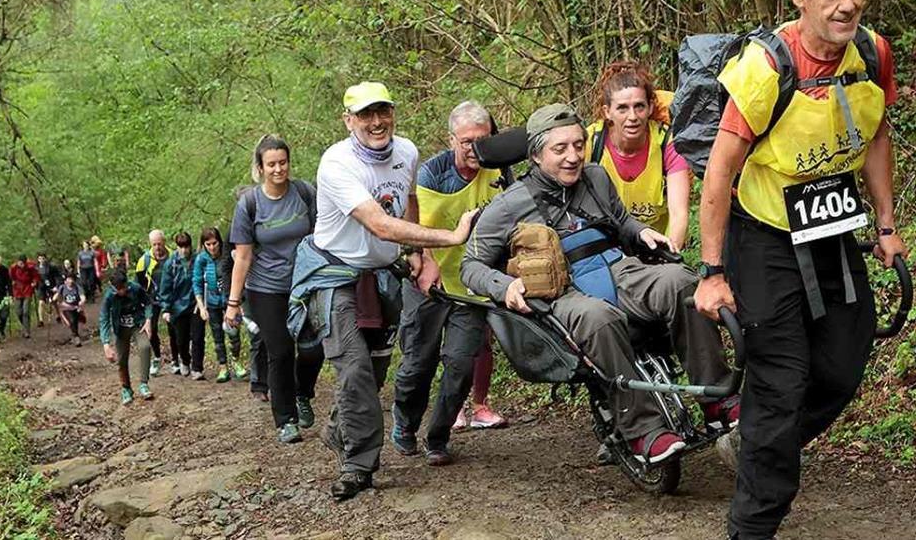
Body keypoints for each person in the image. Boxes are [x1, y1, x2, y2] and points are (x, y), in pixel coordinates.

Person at [693, 0, 908, 540]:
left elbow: (875, 136)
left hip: (833, 230)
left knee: (842, 367)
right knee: (780, 384)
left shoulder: (873, 53)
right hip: (763, 240)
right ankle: (752, 526)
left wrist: (887, 223)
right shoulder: (766, 67)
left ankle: (755, 438)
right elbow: (721, 172)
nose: (847, 4)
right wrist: (711, 273)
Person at [462, 103, 735, 463]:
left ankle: (718, 399)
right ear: (535, 155)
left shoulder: (596, 178)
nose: (572, 157)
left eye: (578, 145)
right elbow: (471, 265)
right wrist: (504, 287)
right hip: (564, 291)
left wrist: (641, 232)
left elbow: (621, 221)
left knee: (682, 283)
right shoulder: (507, 206)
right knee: (598, 319)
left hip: (618, 268)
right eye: (559, 149)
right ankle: (643, 429)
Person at [295, 81, 476, 500]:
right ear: (348, 121)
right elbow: (378, 223)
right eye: (365, 115)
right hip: (333, 273)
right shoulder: (336, 164)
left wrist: (417, 251)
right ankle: (359, 465)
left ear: (393, 113)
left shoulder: (407, 151)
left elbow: (408, 201)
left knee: (374, 371)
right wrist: (446, 238)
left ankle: (342, 428)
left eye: (383, 112)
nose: (376, 122)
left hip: (380, 274)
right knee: (354, 366)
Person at [393, 100, 506, 468]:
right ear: (452, 140)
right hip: (429, 280)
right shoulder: (431, 173)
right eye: (467, 141)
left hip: (472, 286)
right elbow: (414, 224)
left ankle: (438, 437)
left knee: (460, 363)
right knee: (418, 362)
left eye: (483, 140)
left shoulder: (502, 172)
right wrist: (422, 260)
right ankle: (406, 423)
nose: (475, 149)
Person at [226, 135, 325, 444]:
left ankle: (302, 393)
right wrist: (233, 303)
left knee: (315, 347)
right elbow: (243, 256)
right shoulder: (250, 203)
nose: (278, 169)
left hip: (305, 283)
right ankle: (286, 420)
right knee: (280, 352)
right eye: (271, 164)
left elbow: (324, 234)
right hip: (266, 288)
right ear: (260, 167)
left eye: (283, 162)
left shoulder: (305, 193)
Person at [585, 61, 692, 251]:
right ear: (607, 111)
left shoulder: (666, 141)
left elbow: (679, 214)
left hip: (656, 248)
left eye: (639, 106)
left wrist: (670, 256)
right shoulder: (589, 143)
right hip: (603, 249)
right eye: (622, 108)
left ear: (651, 107)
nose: (632, 116)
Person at [193, 227, 247, 383]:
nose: (212, 247)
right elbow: (196, 282)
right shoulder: (201, 259)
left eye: (214, 243)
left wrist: (239, 301)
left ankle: (236, 361)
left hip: (230, 299)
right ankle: (223, 367)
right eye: (208, 244)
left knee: (233, 332)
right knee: (217, 335)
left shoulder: (227, 254)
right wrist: (201, 307)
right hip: (212, 301)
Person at [100, 270, 155, 405]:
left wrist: (148, 319)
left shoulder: (135, 288)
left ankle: (143, 384)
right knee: (121, 359)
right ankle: (126, 389)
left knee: (145, 347)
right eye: (118, 289)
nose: (122, 291)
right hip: (121, 328)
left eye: (123, 288)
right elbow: (104, 318)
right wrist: (106, 343)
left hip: (138, 324)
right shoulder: (109, 296)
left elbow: (148, 302)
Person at [157, 232, 200, 378]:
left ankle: (197, 368)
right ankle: (185, 361)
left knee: (197, 337)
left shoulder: (197, 260)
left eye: (186, 247)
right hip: (177, 307)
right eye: (181, 247)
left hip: (195, 304)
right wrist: (166, 309)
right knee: (181, 339)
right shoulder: (171, 263)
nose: (184, 250)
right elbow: (165, 288)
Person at [136, 230, 172, 377]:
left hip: (170, 298)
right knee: (152, 330)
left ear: (164, 241)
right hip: (152, 300)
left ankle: (177, 360)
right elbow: (138, 285)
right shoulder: (144, 261)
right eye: (154, 244)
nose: (157, 247)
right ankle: (156, 358)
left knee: (175, 329)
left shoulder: (173, 256)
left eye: (159, 243)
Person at [9, 255, 40, 339]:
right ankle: (24, 326)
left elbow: (36, 276)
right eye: (20, 263)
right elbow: (11, 277)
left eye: (22, 263)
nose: (21, 264)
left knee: (26, 311)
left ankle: (27, 331)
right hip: (17, 290)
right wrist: (12, 283)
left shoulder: (30, 267)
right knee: (18, 311)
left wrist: (34, 282)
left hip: (27, 289)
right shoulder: (13, 268)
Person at [54, 273, 87, 345]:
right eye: (68, 279)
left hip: (76, 307)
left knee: (75, 321)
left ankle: (75, 335)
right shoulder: (62, 287)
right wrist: (53, 299)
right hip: (66, 308)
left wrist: (82, 301)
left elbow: (82, 297)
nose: (70, 281)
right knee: (71, 321)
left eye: (71, 279)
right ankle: (76, 336)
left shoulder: (77, 287)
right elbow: (57, 295)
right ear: (65, 281)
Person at [35, 253, 63, 329]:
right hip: (41, 287)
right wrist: (35, 284)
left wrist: (56, 286)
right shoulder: (36, 268)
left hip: (51, 286)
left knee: (53, 302)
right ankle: (41, 320)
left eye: (43, 258)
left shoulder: (51, 267)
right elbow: (34, 277)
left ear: (45, 259)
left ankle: (58, 316)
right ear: (38, 259)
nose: (41, 260)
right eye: (40, 259)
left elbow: (57, 276)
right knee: (41, 303)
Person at [91, 236, 109, 300]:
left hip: (99, 267)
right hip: (91, 267)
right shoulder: (90, 250)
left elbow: (103, 259)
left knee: (99, 279)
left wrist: (103, 265)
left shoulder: (101, 251)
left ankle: (100, 289)